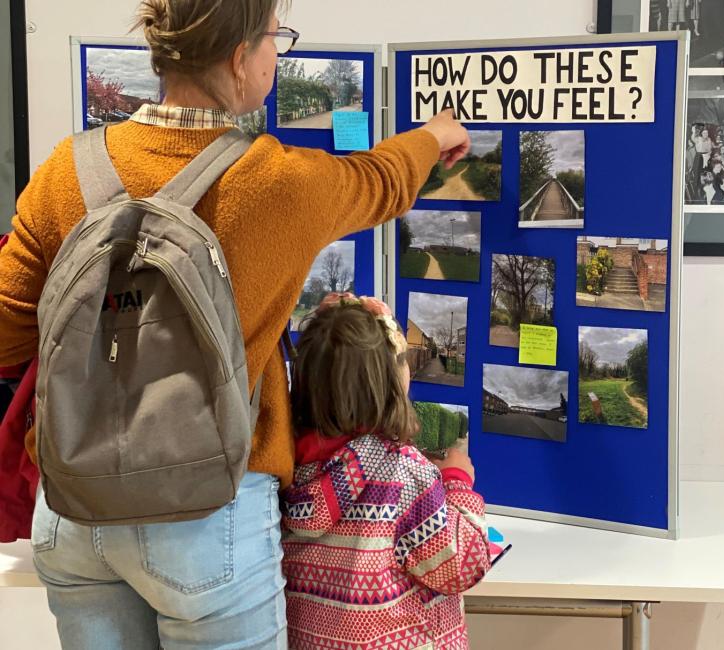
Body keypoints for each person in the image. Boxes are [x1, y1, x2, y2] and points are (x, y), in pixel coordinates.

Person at [0, 0, 471, 647]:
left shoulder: (63, 171)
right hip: (206, 518)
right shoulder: (274, 181)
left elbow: (7, 334)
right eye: (275, 38)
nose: (277, 53)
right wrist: (435, 135)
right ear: (238, 56)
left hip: (76, 515)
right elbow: (382, 180)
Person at [282, 294, 490, 650]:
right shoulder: (404, 476)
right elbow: (464, 564)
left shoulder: (292, 472)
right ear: (392, 383)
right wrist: (456, 484)